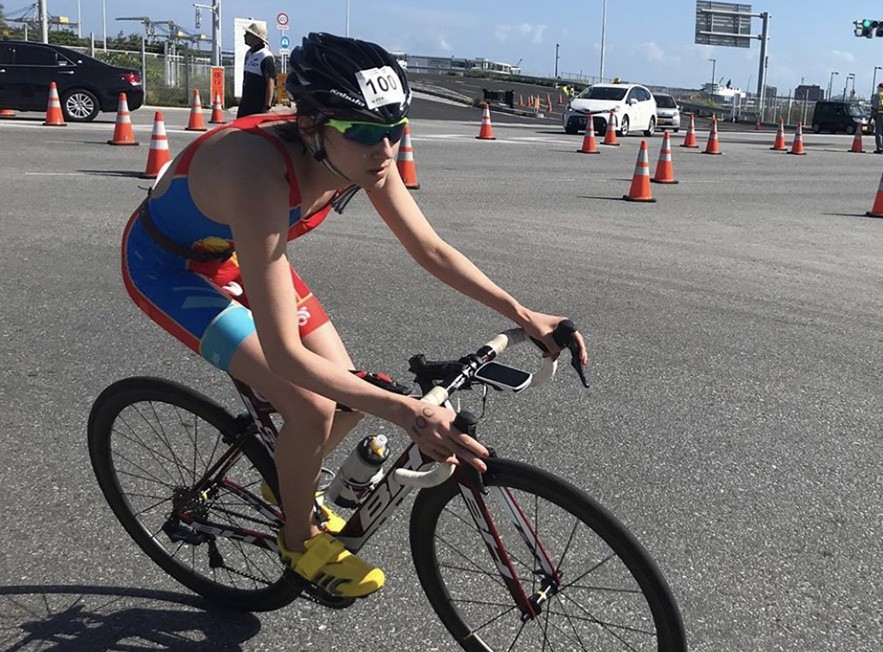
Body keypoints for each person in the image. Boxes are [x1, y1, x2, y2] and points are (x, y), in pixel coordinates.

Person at [120, 33, 588, 600]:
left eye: (396, 130)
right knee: (311, 403)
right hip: (168, 267)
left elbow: (431, 250)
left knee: (349, 392)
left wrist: (522, 312)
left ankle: (284, 477)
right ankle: (299, 541)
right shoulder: (256, 173)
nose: (385, 149)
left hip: (235, 252)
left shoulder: (361, 158)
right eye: (366, 132)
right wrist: (409, 413)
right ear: (313, 125)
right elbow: (288, 357)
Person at [236, 21, 276, 117]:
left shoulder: (265, 56)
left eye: (248, 34)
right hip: (246, 103)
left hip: (258, 105)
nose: (244, 36)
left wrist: (267, 106)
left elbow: (270, 82)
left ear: (256, 38)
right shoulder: (249, 53)